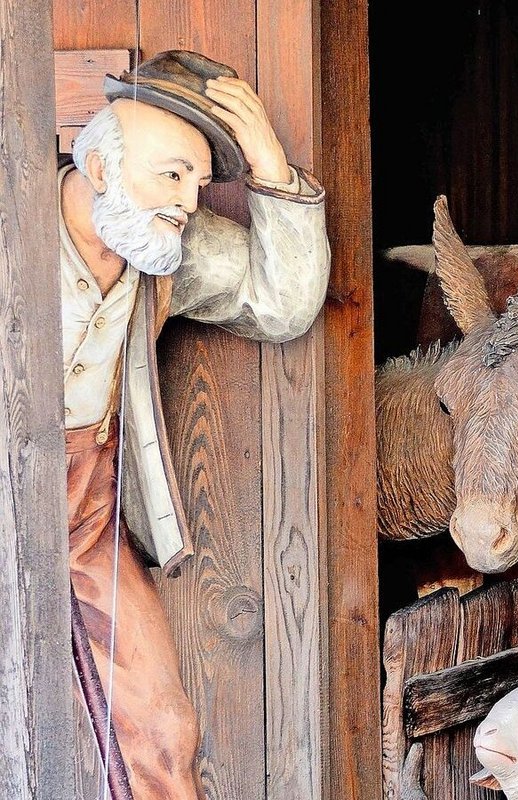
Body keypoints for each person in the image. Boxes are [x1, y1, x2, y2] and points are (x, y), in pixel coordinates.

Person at [61, 50, 329, 799]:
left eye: (199, 181)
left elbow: (284, 303)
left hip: (86, 513)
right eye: (170, 173)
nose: (185, 200)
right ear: (104, 167)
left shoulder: (162, 250)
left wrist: (269, 168)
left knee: (165, 730)